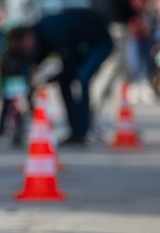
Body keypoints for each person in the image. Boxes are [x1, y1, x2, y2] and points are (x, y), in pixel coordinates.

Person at [7, 8, 113, 145]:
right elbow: (38, 62)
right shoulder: (40, 34)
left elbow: (69, 67)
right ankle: (75, 130)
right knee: (64, 82)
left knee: (81, 78)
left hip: (100, 42)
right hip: (81, 46)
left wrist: (45, 80)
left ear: (27, 37)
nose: (26, 52)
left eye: (24, 48)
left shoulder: (53, 30)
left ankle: (82, 130)